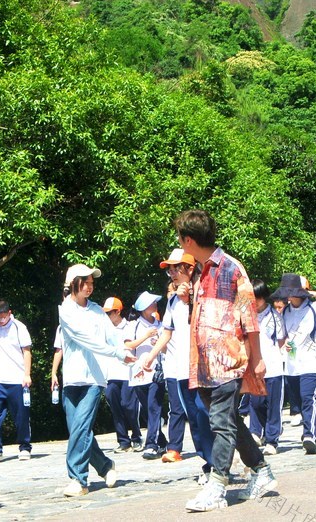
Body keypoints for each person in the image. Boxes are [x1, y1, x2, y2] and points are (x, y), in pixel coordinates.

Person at [176, 210, 276, 512]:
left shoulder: (232, 269)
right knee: (227, 422)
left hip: (229, 361)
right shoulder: (199, 271)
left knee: (220, 422)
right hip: (203, 364)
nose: (179, 243)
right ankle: (261, 470)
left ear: (189, 239)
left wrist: (256, 359)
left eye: (180, 239)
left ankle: (217, 486)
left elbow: (249, 317)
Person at [57, 263, 133, 496]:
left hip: (94, 379)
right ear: (73, 284)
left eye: (92, 283)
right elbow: (85, 339)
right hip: (72, 379)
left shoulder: (98, 311)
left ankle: (78, 480)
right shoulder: (65, 311)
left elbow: (112, 337)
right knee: (79, 432)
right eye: (85, 282)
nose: (90, 287)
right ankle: (104, 465)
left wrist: (126, 355)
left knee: (80, 428)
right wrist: (118, 353)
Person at [138, 250, 214, 477]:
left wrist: (189, 297)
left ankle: (220, 462)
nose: (171, 273)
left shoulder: (204, 293)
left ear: (190, 269)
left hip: (202, 369)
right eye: (169, 269)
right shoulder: (171, 302)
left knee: (206, 415)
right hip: (180, 370)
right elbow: (167, 333)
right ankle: (208, 464)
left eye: (175, 268)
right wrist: (150, 356)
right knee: (195, 420)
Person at [275, 273, 316, 453]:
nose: (288, 296)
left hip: (312, 364)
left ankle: (309, 435)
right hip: (292, 366)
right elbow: (282, 337)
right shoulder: (285, 313)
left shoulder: (313, 309)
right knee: (298, 403)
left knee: (309, 399)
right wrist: (283, 349)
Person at [0, 298, 33, 462]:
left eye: (3, 317)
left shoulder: (19, 327)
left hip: (17, 379)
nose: (0, 320)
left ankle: (25, 447)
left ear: (9, 313)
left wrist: (27, 374)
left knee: (21, 415)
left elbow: (27, 351)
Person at [124, 290, 167, 458]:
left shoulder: (161, 325)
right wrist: (146, 336)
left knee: (153, 407)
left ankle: (151, 445)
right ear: (143, 308)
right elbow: (128, 345)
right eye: (151, 303)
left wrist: (159, 344)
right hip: (138, 372)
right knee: (147, 411)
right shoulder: (133, 325)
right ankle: (162, 442)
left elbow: (166, 347)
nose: (155, 304)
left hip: (156, 371)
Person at [101, 298, 142, 452]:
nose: (106, 316)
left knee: (129, 405)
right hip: (111, 373)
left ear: (118, 311)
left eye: (109, 313)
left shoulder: (130, 326)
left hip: (127, 372)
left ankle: (137, 436)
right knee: (115, 406)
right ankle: (123, 440)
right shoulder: (104, 328)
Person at [249, 280, 285, 454]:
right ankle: (256, 432)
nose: (254, 301)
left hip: (273, 366)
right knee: (255, 403)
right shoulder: (247, 315)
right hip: (254, 367)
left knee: (272, 405)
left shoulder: (275, 317)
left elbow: (281, 340)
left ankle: (272, 440)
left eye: (257, 298)